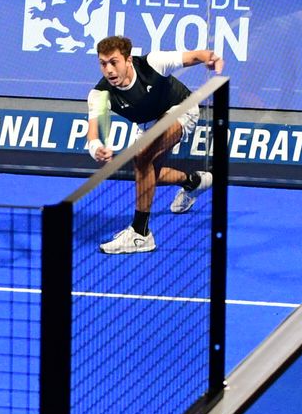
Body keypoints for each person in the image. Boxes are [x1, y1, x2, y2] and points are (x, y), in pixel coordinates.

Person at [84, 35, 223, 254]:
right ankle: (194, 182)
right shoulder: (99, 94)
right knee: (148, 173)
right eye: (103, 63)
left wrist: (209, 57)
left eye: (114, 62)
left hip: (181, 108)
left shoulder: (152, 64)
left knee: (142, 158)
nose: (109, 70)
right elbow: (92, 134)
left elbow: (192, 57)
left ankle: (140, 233)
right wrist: (96, 148)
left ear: (128, 60)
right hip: (147, 125)